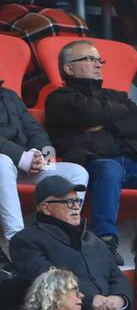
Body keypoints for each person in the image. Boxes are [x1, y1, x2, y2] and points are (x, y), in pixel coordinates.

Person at [43, 39, 137, 255]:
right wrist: (117, 116)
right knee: (109, 169)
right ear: (69, 68)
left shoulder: (115, 95)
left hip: (133, 163)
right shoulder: (59, 99)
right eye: (89, 59)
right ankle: (106, 242)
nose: (98, 64)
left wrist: (105, 123)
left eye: (99, 60)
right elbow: (89, 114)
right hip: (94, 163)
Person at [8, 177, 130, 310]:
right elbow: (48, 279)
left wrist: (120, 298)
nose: (75, 206)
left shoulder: (94, 240)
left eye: (77, 201)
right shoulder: (26, 240)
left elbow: (117, 276)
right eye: (68, 202)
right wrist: (90, 299)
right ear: (45, 208)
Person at [0, 81, 87, 253]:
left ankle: (58, 239)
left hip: (24, 164)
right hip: (8, 162)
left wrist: (43, 157)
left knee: (77, 172)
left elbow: (34, 129)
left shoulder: (9, 94)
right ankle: (17, 242)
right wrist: (22, 157)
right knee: (2, 161)